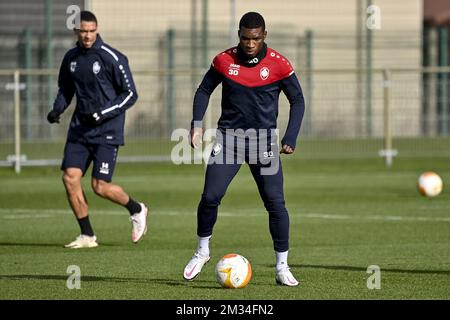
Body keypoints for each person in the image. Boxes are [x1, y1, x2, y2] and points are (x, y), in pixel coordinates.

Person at [183, 12, 305, 286]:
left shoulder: (279, 65)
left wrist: (291, 136)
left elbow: (298, 100)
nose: (249, 43)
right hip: (229, 140)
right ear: (239, 35)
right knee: (210, 196)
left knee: (275, 203)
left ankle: (282, 267)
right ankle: (202, 252)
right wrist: (196, 125)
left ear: (264, 36)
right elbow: (204, 90)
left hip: (264, 143)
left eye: (255, 38)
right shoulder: (224, 60)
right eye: (245, 38)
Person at [47, 11, 148, 249]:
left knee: (99, 186)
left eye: (92, 31)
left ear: (97, 29)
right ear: (76, 31)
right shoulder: (71, 58)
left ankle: (136, 209)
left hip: (107, 130)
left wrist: (103, 113)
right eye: (84, 31)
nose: (88, 36)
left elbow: (130, 94)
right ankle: (87, 235)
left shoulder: (111, 57)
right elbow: (65, 89)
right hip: (80, 130)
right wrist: (57, 109)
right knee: (70, 178)